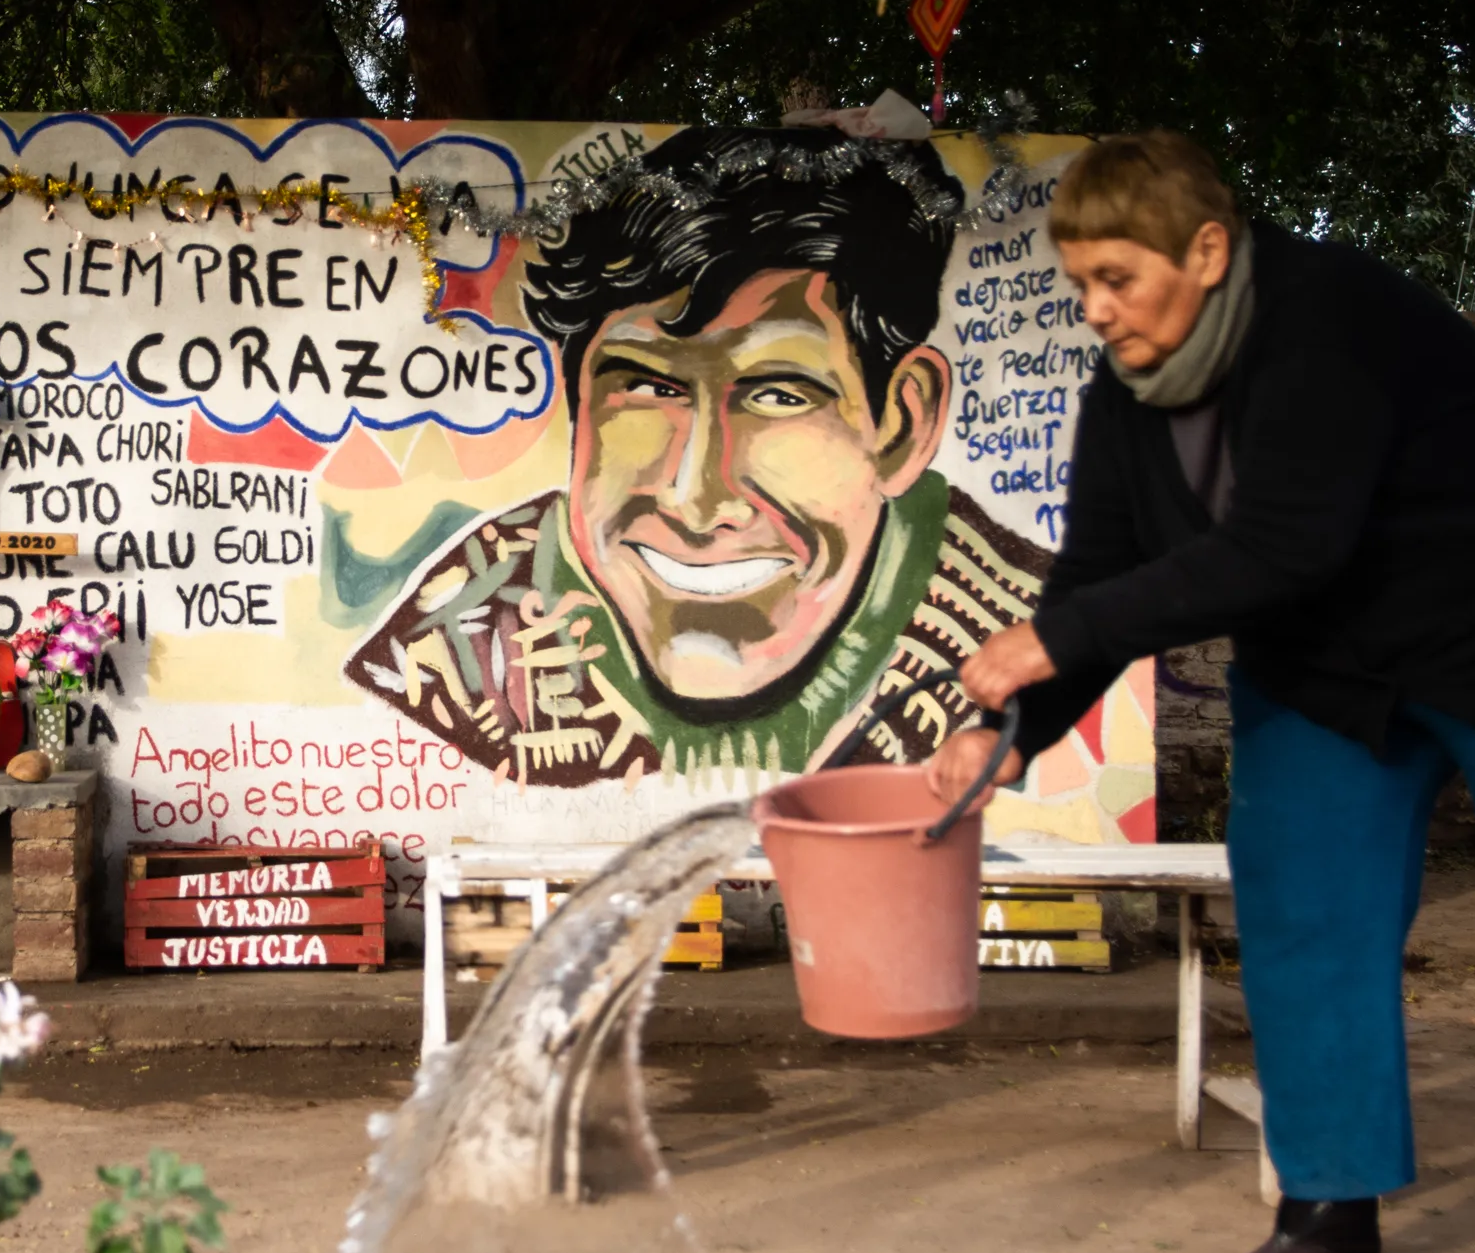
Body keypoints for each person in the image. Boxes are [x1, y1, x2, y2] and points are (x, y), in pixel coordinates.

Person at [933, 131, 1475, 1253]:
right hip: (1329, 660)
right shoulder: (1125, 395)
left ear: (1206, 250)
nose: (1096, 310)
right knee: (1304, 900)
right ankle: (1329, 1200)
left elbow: (1289, 542)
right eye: (1081, 285)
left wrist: (1054, 640)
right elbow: (1099, 578)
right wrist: (1014, 733)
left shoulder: (1327, 317)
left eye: (1119, 279)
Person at [345, 125, 1051, 785]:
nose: (695, 499)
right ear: (579, 415)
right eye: (649, 388)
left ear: (902, 423)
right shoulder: (448, 658)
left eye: (778, 395)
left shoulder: (1037, 644)